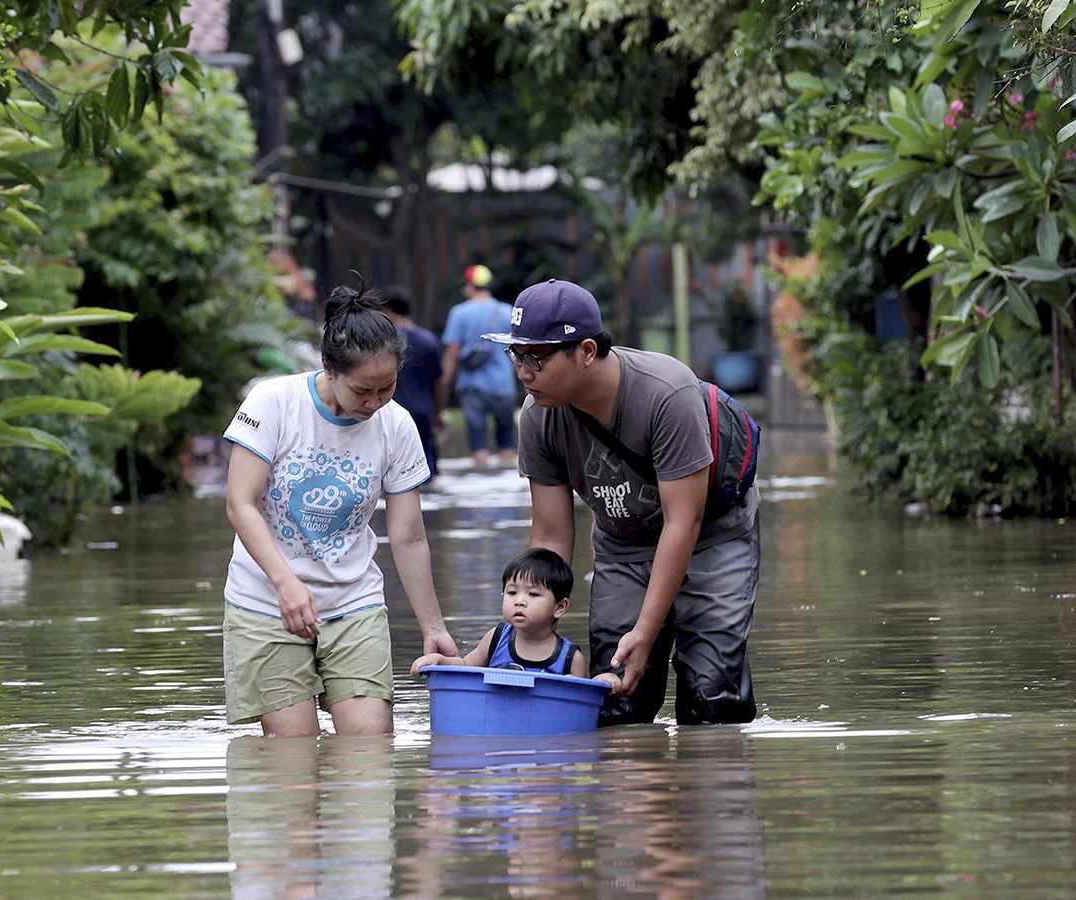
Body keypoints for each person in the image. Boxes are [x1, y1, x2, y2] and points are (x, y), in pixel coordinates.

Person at [483, 279, 760, 727]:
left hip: (711, 534)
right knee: (614, 698)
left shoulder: (666, 395)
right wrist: (528, 627)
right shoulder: (538, 417)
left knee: (711, 700)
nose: (523, 372)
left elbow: (682, 523)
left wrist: (647, 632)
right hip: (622, 542)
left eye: (537, 357)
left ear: (587, 351)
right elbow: (551, 535)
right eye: (516, 355)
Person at [222, 278, 459, 738]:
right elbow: (240, 503)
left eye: (386, 388)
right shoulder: (273, 403)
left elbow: (408, 535)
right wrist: (285, 583)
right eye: (361, 391)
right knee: (293, 764)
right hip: (265, 600)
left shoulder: (397, 425)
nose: (374, 403)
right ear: (329, 368)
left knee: (370, 752)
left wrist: (434, 626)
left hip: (354, 600)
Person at [410, 547, 617, 682]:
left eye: (533, 594)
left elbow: (579, 699)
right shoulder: (497, 638)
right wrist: (439, 661)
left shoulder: (569, 658)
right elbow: (465, 666)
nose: (519, 600)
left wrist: (601, 682)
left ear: (560, 607)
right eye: (511, 592)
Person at [440, 264, 518, 469]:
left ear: (470, 286)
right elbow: (518, 348)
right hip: (503, 384)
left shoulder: (459, 313)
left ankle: (482, 474)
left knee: (479, 446)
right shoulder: (507, 311)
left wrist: (443, 384)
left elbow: (451, 353)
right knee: (507, 444)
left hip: (472, 386)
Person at [382, 286, 444, 484]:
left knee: (393, 475)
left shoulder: (384, 342)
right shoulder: (429, 340)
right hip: (423, 414)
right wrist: (438, 412)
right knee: (427, 473)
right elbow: (439, 382)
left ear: (388, 311)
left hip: (393, 414)